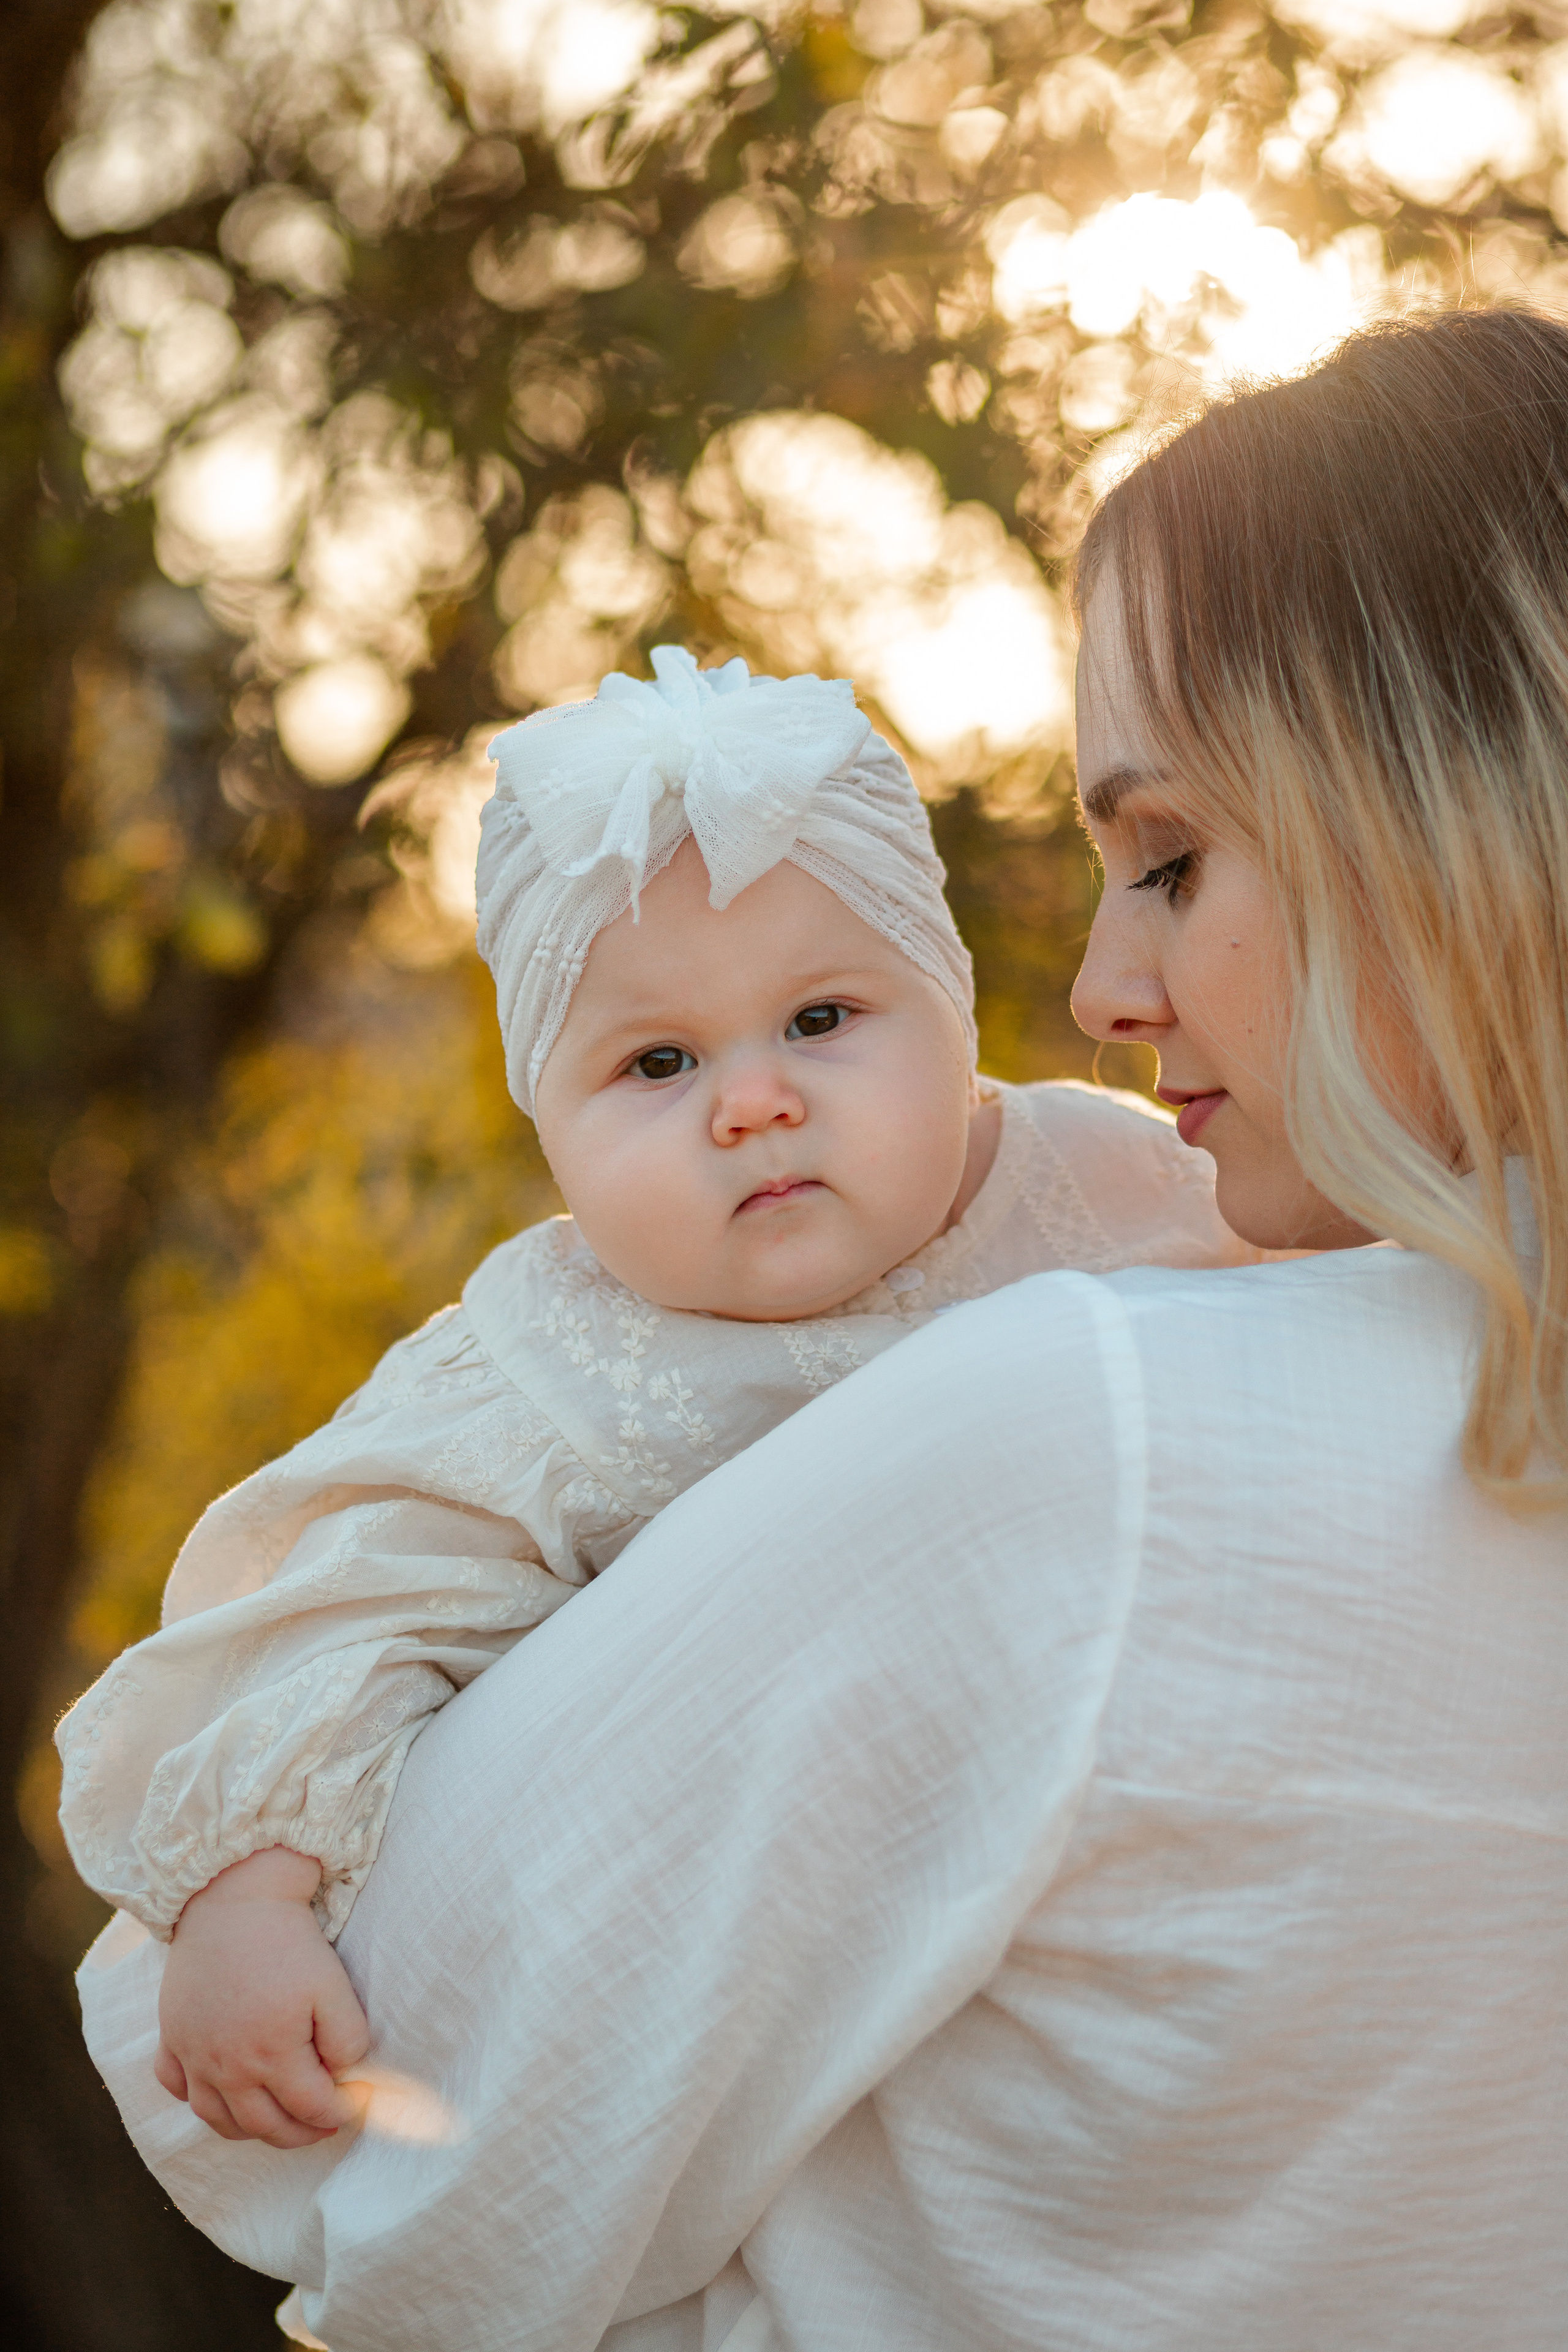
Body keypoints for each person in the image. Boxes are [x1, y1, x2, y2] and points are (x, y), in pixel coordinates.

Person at [77, 305, 1568, 2352]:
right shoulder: (573, 1383)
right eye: (658, 1061)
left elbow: (377, 2166)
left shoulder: (1088, 1437)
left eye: (1173, 856)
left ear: (1442, 811)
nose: (1111, 995)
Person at [57, 649, 1250, 2152]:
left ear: (947, 999)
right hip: (763, 1976)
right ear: (544, 1124)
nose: (751, 1102)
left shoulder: (1116, 1171)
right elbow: (331, 1602)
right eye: (658, 1061)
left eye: (821, 1020)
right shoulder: (552, 1357)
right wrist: (247, 1899)